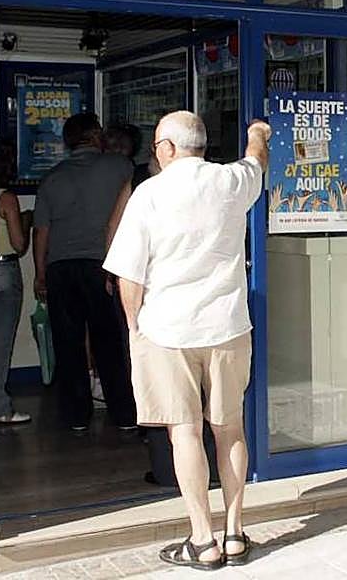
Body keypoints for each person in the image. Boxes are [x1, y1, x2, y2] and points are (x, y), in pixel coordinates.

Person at [104, 111, 269, 570]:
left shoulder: (149, 193)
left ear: (168, 148)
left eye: (157, 144)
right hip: (228, 327)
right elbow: (257, 160)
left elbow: (129, 274)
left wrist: (135, 328)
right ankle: (234, 533)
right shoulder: (232, 182)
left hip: (168, 331)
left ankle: (202, 540)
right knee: (229, 429)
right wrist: (258, 132)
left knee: (185, 433)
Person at [34, 112, 137, 431]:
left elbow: (41, 232)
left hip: (61, 268)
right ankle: (124, 413)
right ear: (95, 136)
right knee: (111, 342)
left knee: (69, 345)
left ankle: (77, 416)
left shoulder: (51, 178)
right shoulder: (120, 167)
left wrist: (40, 273)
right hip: (103, 266)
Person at [0, 140, 31, 426]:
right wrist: (26, 221)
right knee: (1, 344)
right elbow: (18, 244)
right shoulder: (6, 198)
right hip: (4, 269)